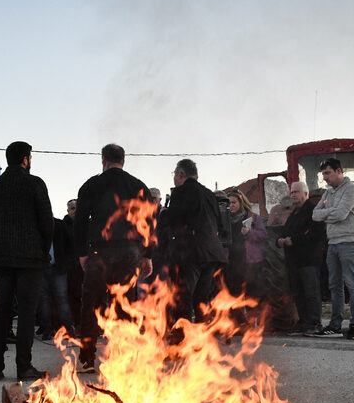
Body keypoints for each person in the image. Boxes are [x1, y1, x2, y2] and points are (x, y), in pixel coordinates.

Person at [73, 144, 153, 372]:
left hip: (100, 252)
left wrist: (81, 253)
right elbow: (148, 223)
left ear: (103, 160)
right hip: (130, 252)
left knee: (91, 305)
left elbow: (80, 223)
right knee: (125, 304)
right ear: (123, 160)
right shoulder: (138, 185)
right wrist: (147, 255)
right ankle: (124, 359)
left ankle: (87, 359)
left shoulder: (92, 185)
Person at [0, 140, 53, 382]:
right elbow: (47, 222)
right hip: (30, 258)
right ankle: (24, 367)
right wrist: (44, 251)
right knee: (26, 312)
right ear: (25, 159)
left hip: (2, 257)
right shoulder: (35, 183)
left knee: (2, 311)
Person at [159, 159, 226, 326]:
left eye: (175, 175)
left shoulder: (181, 192)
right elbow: (220, 224)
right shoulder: (210, 194)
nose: (174, 178)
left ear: (180, 174)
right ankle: (202, 341)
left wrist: (163, 214)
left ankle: (181, 340)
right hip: (212, 253)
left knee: (183, 297)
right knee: (202, 298)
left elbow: (173, 219)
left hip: (190, 253)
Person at [311, 158, 354, 340]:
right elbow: (315, 215)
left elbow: (342, 214)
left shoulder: (352, 190)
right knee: (335, 286)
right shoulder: (327, 193)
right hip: (332, 243)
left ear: (339, 171)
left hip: (350, 242)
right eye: (323, 174)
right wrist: (330, 213)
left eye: (328, 173)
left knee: (352, 284)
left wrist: (327, 214)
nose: (325, 178)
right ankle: (335, 325)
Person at [276, 182, 325, 336]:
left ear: (306, 193)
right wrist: (279, 240)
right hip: (294, 261)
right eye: (292, 192)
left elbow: (316, 234)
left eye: (296, 192)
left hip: (309, 260)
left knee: (311, 293)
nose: (293, 195)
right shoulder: (294, 214)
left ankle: (315, 323)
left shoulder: (313, 211)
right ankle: (303, 322)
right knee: (298, 293)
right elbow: (284, 231)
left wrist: (294, 240)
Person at [224, 189, 267, 299]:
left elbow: (263, 234)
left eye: (234, 202)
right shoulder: (224, 220)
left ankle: (254, 315)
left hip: (250, 262)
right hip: (231, 262)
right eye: (229, 203)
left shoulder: (252, 217)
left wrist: (249, 233)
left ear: (241, 202)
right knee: (234, 295)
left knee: (252, 293)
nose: (231, 205)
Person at [37, 217, 75, 339]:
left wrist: (67, 263)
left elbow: (69, 244)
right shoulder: (37, 225)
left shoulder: (59, 225)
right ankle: (47, 330)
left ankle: (68, 329)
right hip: (42, 268)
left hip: (58, 268)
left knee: (61, 299)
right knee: (44, 301)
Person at [62, 198, 83, 332]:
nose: (75, 211)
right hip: (68, 269)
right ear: (68, 210)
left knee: (86, 297)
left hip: (84, 267)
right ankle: (72, 326)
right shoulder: (63, 226)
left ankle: (85, 325)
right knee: (69, 298)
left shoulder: (86, 224)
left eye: (77, 208)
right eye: (72, 208)